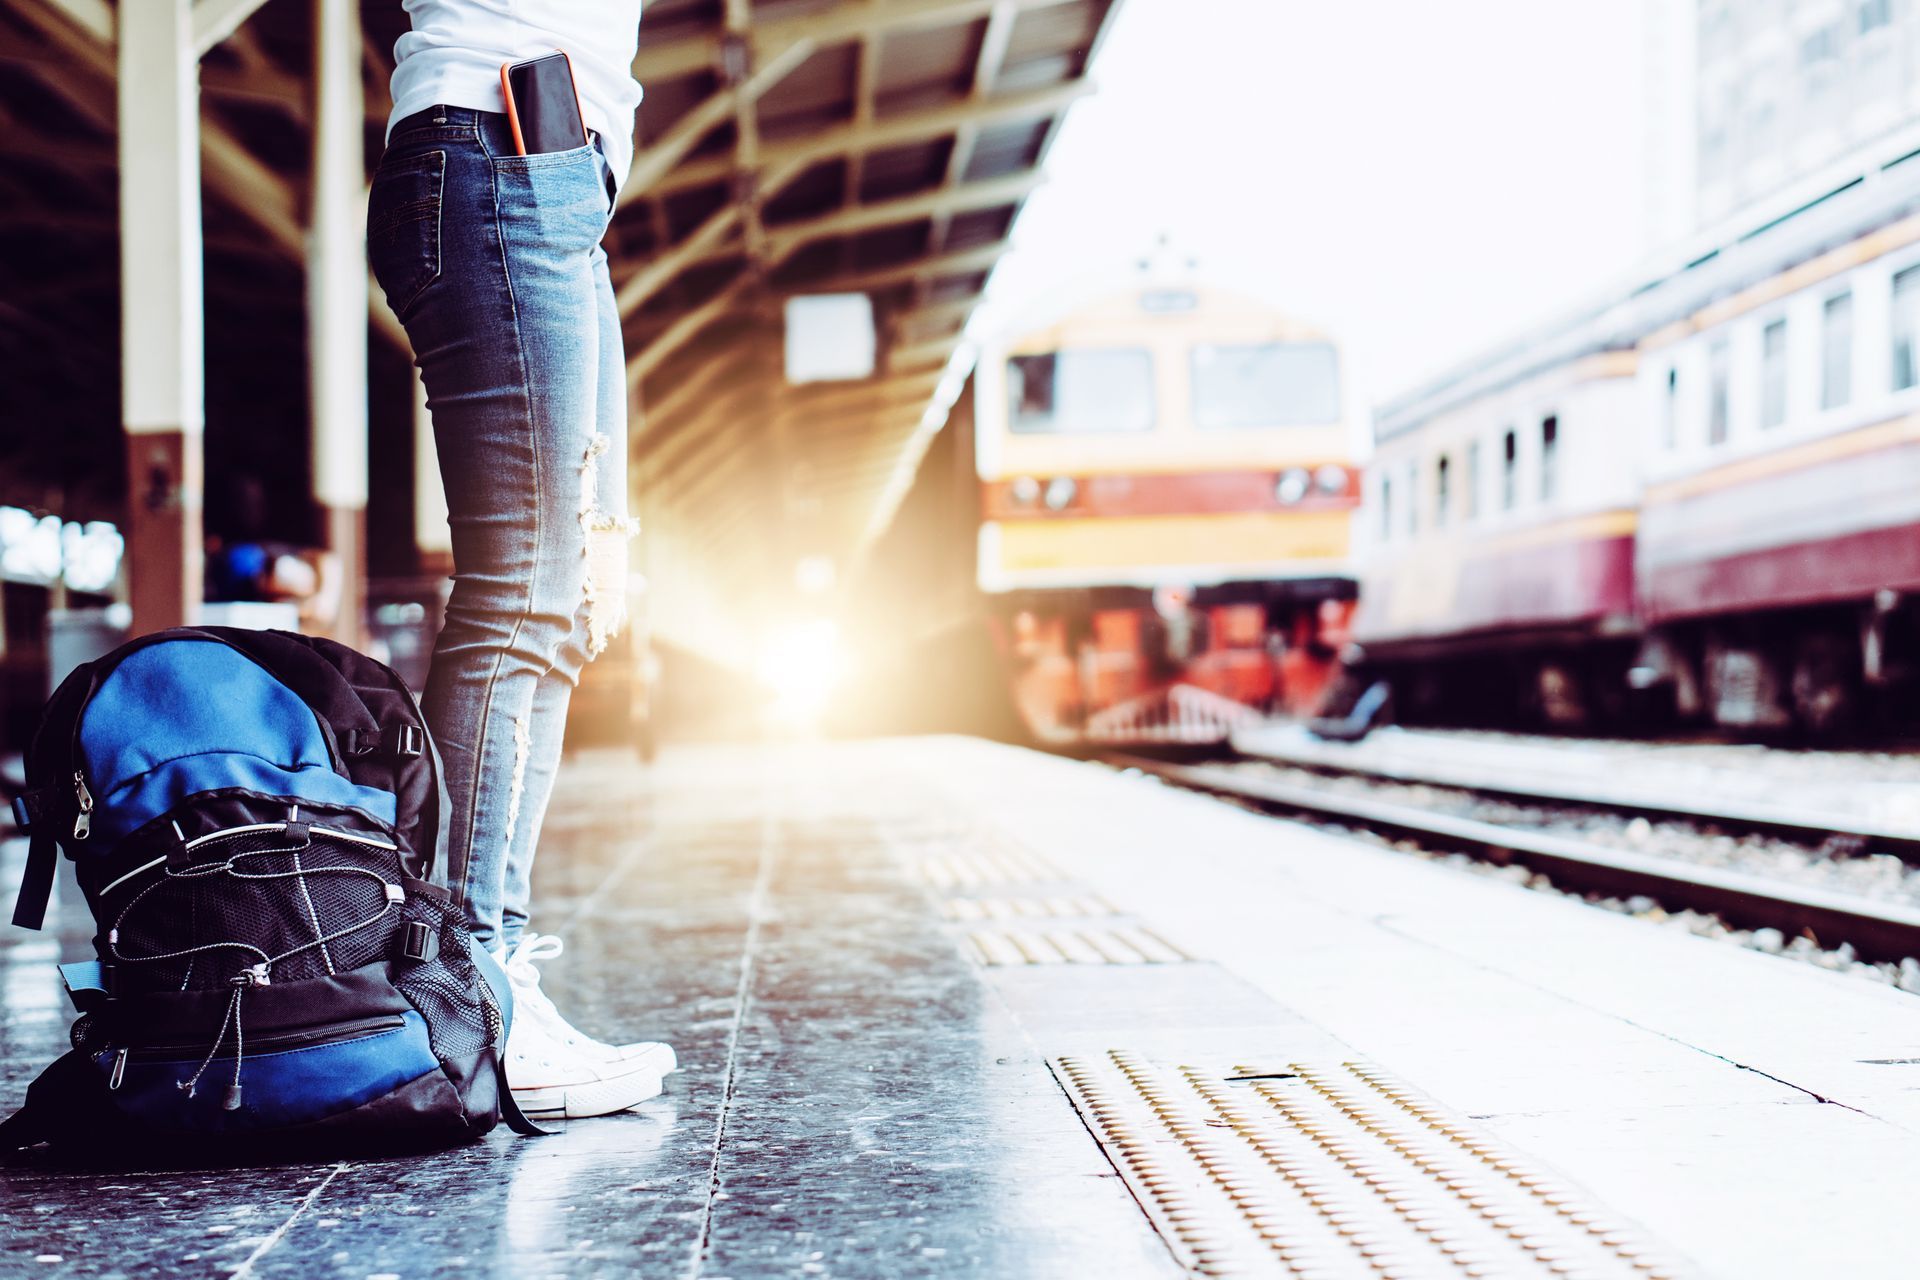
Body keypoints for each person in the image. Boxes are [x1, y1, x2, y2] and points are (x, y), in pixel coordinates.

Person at [366, 1, 673, 1120]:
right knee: (522, 592)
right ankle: (472, 984)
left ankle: (480, 968)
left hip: (550, 175)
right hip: (494, 154)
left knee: (577, 587)